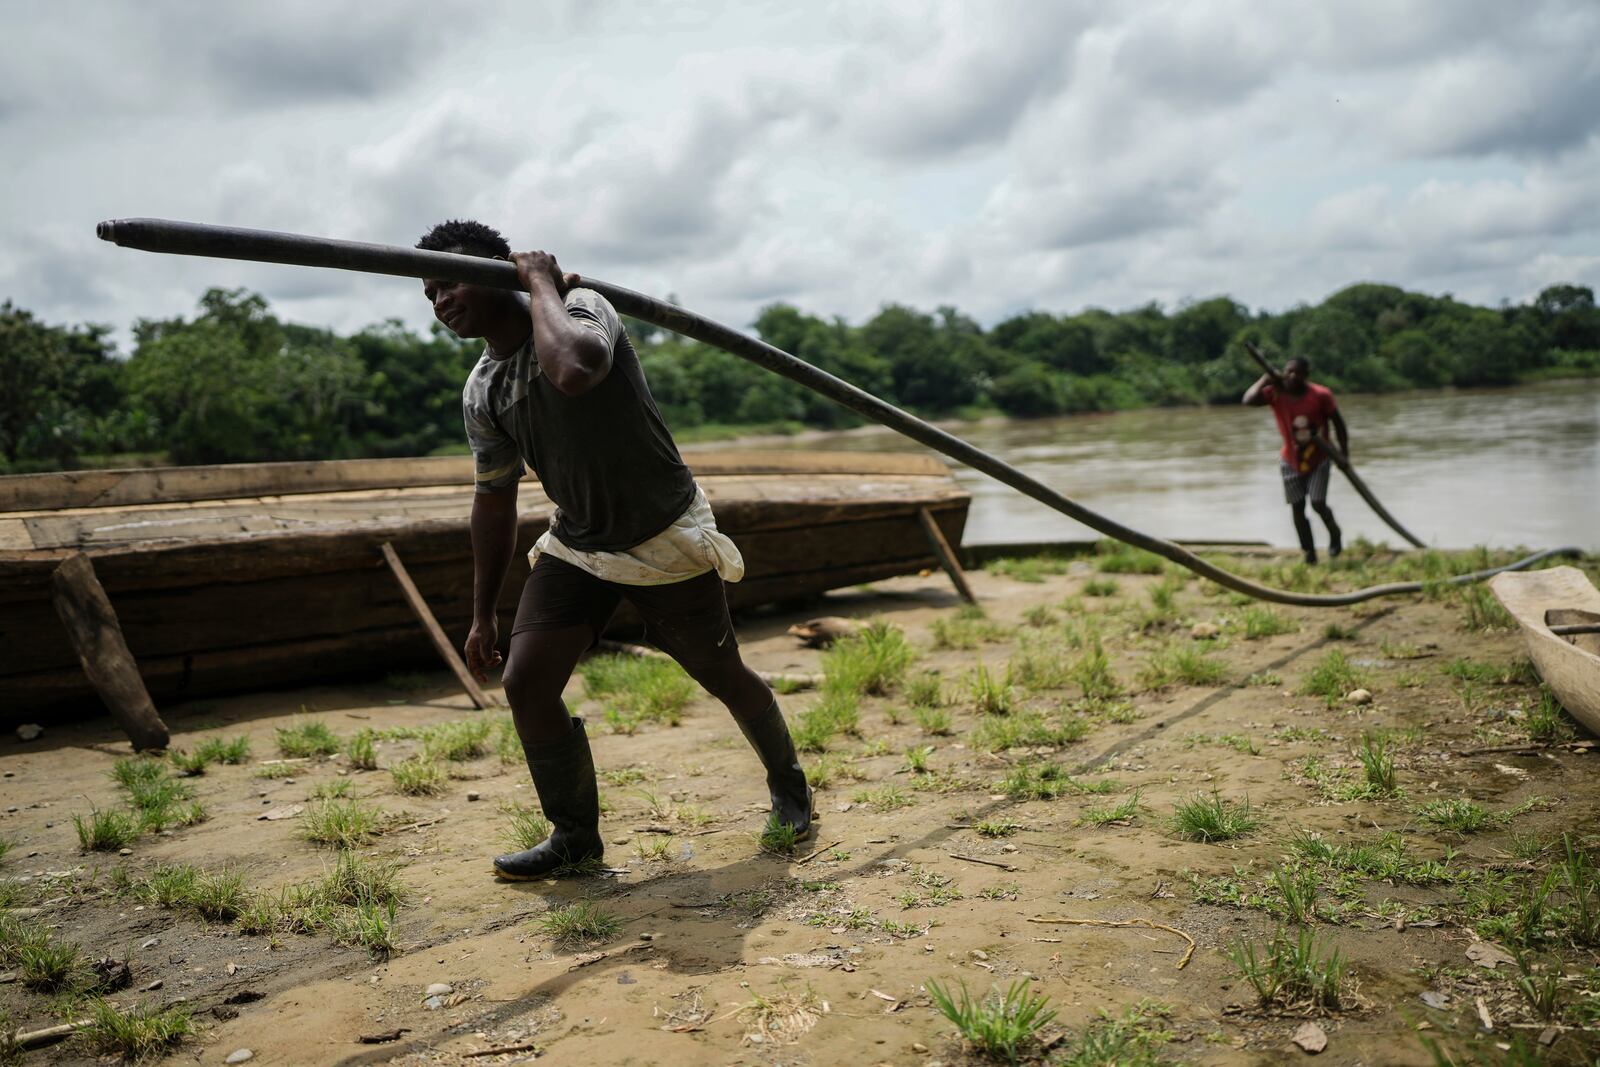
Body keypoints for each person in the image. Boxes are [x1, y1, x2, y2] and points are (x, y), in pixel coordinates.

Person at [415, 219, 810, 880]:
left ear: (499, 270)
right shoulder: (483, 389)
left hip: (664, 532)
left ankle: (789, 782)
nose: (441, 302)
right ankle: (574, 835)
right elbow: (493, 499)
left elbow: (574, 369)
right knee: (526, 680)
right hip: (580, 544)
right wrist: (483, 613)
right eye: (428, 295)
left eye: (450, 282)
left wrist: (538, 280)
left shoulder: (581, 307)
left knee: (720, 672)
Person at [1242, 356, 1348, 564]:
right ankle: (1309, 552)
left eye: (1298, 372)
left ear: (1306, 375)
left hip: (1319, 458)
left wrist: (1344, 455)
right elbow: (1248, 400)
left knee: (1318, 503)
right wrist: (1265, 379)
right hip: (1290, 460)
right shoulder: (1276, 393)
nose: (1292, 376)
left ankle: (1335, 536)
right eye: (1289, 371)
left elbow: (1339, 423)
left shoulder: (1320, 395)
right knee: (1297, 507)